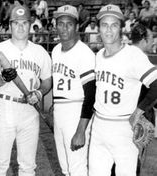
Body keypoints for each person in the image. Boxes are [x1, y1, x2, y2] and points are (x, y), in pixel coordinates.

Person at [0, 4, 52, 176]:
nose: (20, 27)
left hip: (30, 111)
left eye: (24, 23)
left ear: (30, 24)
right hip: (5, 108)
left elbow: (47, 81)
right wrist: (2, 78)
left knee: (28, 166)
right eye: (16, 23)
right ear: (10, 25)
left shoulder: (40, 52)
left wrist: (39, 93)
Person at [89, 4, 157, 176]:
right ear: (99, 29)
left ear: (121, 28)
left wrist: (138, 111)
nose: (109, 30)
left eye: (114, 24)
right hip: (99, 127)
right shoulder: (98, 55)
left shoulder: (133, 55)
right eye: (104, 25)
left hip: (124, 128)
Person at [51, 5, 96, 176]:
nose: (64, 28)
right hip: (61, 111)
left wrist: (80, 130)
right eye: (60, 23)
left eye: (69, 24)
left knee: (77, 167)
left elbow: (91, 95)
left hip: (76, 111)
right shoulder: (55, 50)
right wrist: (54, 106)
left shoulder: (84, 53)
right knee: (65, 167)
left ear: (77, 27)